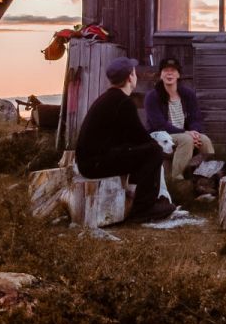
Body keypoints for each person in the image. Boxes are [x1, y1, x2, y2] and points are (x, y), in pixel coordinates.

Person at [75, 57, 177, 224]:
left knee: (145, 151)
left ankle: (137, 198)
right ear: (130, 77)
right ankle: (144, 208)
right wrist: (157, 147)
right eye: (134, 73)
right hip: (94, 164)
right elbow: (141, 138)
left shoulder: (110, 99)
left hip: (90, 163)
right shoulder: (122, 102)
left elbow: (130, 138)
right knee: (153, 151)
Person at [143, 58, 215, 186]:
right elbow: (159, 124)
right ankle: (177, 181)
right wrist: (186, 133)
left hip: (184, 133)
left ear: (178, 75)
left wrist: (195, 133)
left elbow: (196, 118)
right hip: (160, 135)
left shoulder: (188, 94)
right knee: (186, 140)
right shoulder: (153, 97)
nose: (169, 73)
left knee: (205, 140)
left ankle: (208, 177)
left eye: (173, 71)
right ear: (161, 74)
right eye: (166, 70)